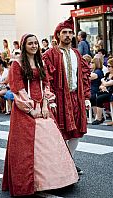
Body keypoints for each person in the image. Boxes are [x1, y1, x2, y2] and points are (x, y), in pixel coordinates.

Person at [2, 33, 78, 197]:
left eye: (36, 43)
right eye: (30, 43)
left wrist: (44, 105)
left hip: (41, 106)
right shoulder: (17, 64)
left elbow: (46, 85)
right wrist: (30, 109)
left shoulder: (40, 62)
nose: (34, 46)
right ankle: (32, 183)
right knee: (26, 146)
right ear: (24, 46)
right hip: (25, 108)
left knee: (49, 141)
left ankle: (55, 180)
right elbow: (17, 88)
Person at [43, 17, 91, 175]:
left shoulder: (77, 54)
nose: (68, 35)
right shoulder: (50, 54)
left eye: (71, 33)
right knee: (60, 134)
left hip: (76, 98)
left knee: (76, 132)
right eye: (64, 32)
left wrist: (86, 97)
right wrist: (49, 99)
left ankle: (69, 162)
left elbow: (83, 77)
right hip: (58, 99)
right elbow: (46, 78)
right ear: (58, 35)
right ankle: (60, 166)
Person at [92, 58, 113, 125]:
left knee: (99, 98)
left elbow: (108, 83)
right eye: (107, 66)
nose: (107, 67)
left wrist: (103, 81)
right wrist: (102, 86)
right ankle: (98, 117)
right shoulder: (107, 74)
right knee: (96, 96)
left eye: (109, 66)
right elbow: (101, 85)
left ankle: (99, 118)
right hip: (106, 91)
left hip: (111, 93)